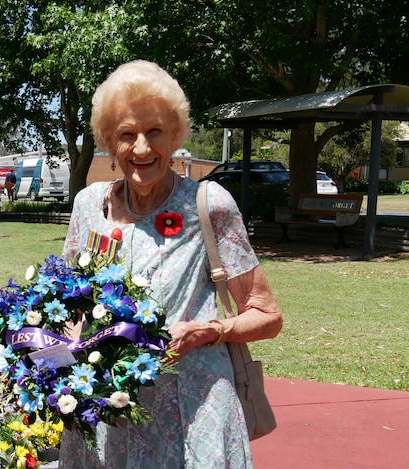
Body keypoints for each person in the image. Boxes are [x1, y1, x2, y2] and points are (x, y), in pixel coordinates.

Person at [59, 60, 283, 468]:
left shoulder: (209, 205)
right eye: (127, 135)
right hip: (110, 411)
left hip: (192, 410)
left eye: (154, 131)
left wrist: (211, 330)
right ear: (109, 141)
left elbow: (267, 316)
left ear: (175, 134)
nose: (142, 148)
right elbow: (69, 305)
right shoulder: (89, 206)